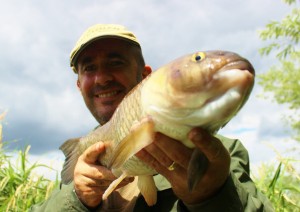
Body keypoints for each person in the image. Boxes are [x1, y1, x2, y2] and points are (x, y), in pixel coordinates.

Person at [30, 24, 274, 211]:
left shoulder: (223, 154)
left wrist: (214, 196)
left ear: (146, 75)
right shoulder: (84, 161)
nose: (102, 78)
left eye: (116, 62)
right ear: (79, 85)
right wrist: (77, 199)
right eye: (89, 68)